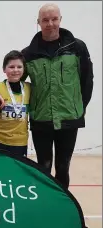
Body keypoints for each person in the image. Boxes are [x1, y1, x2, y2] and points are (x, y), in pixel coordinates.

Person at [21, 3, 94, 188]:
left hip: (69, 118)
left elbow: (87, 80)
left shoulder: (77, 47)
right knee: (43, 167)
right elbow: (15, 85)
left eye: (54, 19)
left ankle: (64, 207)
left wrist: (78, 107)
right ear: (38, 22)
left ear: (60, 19)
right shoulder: (28, 54)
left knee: (63, 167)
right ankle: (46, 206)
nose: (50, 23)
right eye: (45, 20)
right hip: (41, 119)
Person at [0, 50, 31, 156]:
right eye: (11, 67)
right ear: (4, 69)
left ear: (24, 69)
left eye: (19, 67)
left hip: (20, 141)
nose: (15, 70)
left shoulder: (29, 88)